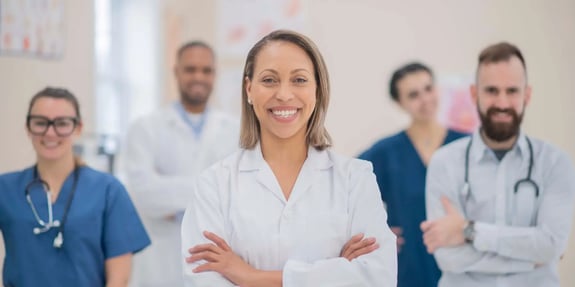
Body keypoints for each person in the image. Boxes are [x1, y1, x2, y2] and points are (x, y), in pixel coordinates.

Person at [180, 29, 397, 287]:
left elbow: (378, 277)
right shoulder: (214, 184)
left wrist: (251, 277)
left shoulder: (355, 178)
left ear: (317, 89)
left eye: (300, 80)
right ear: (249, 89)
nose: (283, 94)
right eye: (269, 80)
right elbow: (204, 282)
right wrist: (335, 274)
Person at [421, 42, 575, 287]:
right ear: (474, 94)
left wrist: (468, 230)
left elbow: (550, 245)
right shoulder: (445, 163)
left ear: (527, 95)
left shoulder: (556, 163)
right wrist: (530, 258)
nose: (502, 103)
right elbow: (448, 257)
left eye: (512, 91)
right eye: (492, 90)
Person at [0, 87, 150, 287]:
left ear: (78, 128)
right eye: (40, 123)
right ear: (28, 128)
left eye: (62, 123)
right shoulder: (5, 188)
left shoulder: (108, 190)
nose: (50, 132)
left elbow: (118, 279)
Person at [123, 40, 239, 287]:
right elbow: (144, 195)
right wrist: (215, 191)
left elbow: (241, 195)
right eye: (190, 69)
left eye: (206, 70)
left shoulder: (236, 130)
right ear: (176, 72)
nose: (199, 76)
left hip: (216, 265)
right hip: (160, 263)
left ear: (214, 75)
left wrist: (169, 191)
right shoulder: (145, 128)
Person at [359, 62, 467, 287]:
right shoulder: (386, 152)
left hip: (464, 265)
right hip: (410, 269)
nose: (425, 99)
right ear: (400, 103)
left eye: (428, 89)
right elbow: (343, 189)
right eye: (413, 95)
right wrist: (374, 232)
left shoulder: (467, 145)